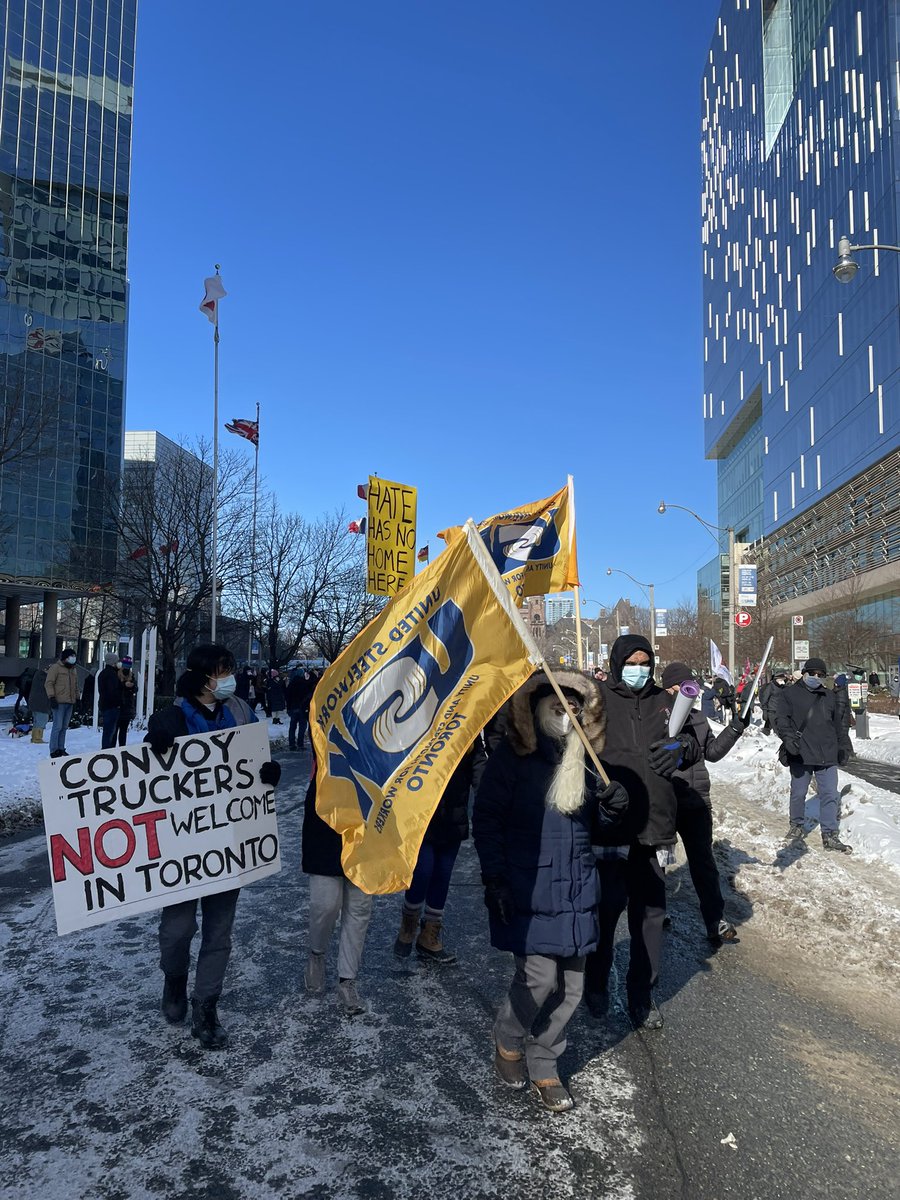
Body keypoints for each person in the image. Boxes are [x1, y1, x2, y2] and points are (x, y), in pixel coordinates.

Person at [473, 669, 629, 1113]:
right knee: (539, 978)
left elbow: (594, 825)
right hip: (529, 884)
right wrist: (495, 878)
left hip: (578, 886)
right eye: (557, 706)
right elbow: (486, 818)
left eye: (574, 708)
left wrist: (612, 810)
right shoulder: (512, 757)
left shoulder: (584, 758)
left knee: (573, 988)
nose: (566, 715)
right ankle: (508, 1040)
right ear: (537, 707)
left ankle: (545, 1061)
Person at [146, 643, 281, 1049]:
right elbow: (151, 778)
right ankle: (174, 979)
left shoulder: (240, 710)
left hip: (230, 843)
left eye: (230, 668)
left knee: (219, 932)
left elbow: (256, 761)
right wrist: (158, 742)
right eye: (223, 669)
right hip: (183, 846)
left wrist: (267, 774)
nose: (229, 676)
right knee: (177, 931)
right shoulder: (171, 716)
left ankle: (206, 1006)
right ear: (204, 675)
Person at [584, 634, 703, 1031]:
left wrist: (681, 749)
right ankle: (596, 982)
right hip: (612, 827)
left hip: (655, 825)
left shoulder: (663, 700)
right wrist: (598, 793)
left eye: (645, 661)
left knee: (651, 916)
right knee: (605, 911)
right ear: (617, 662)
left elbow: (692, 741)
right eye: (632, 661)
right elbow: (578, 756)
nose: (639, 668)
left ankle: (642, 994)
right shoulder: (598, 700)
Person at [661, 662, 747, 944]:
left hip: (697, 802)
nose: (685, 692)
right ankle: (656, 910)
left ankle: (715, 920)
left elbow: (711, 753)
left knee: (704, 864)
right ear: (666, 689)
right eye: (677, 687)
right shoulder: (654, 718)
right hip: (666, 801)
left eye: (689, 687)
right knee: (660, 860)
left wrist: (735, 728)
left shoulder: (699, 718)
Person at [393, 740, 486, 964]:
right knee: (423, 871)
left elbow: (478, 762)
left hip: (454, 811)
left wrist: (485, 792)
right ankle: (409, 923)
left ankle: (429, 935)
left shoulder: (466, 719)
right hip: (420, 812)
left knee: (442, 874)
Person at [301, 761, 373, 1015]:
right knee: (325, 903)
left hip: (369, 801)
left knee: (360, 904)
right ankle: (316, 953)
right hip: (326, 803)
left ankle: (347, 980)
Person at [775, 657, 853, 853]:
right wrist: (788, 738)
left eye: (821, 675)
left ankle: (830, 834)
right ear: (804, 673)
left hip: (827, 752)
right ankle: (796, 826)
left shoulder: (828, 696)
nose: (816, 677)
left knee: (830, 794)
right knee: (799, 793)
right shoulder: (789, 694)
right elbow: (781, 719)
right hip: (801, 752)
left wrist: (843, 746)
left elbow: (838, 724)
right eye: (813, 674)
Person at [45, 648, 80, 758]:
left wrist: (78, 698)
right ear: (66, 658)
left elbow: (75, 685)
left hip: (69, 702)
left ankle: (61, 748)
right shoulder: (56, 668)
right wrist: (51, 697)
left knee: (64, 727)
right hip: (58, 702)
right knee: (57, 726)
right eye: (71, 656)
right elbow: (49, 683)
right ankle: (53, 749)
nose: (73, 658)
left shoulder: (73, 669)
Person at [286, 668, 316, 752]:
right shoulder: (304, 684)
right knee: (302, 727)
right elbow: (310, 689)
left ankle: (291, 744)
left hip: (293, 708)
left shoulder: (291, 684)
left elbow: (287, 697)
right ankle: (300, 744)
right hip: (302, 708)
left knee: (292, 727)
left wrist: (288, 708)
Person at [97, 652, 122, 749]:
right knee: (110, 730)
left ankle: (107, 747)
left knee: (109, 730)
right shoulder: (112, 675)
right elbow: (113, 691)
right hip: (111, 706)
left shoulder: (103, 674)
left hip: (105, 704)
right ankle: (107, 749)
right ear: (113, 662)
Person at [116, 656, 137, 745]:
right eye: (125, 666)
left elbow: (136, 688)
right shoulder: (116, 675)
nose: (127, 668)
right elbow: (115, 688)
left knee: (123, 731)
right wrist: (124, 685)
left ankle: (122, 747)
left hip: (127, 706)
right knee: (114, 730)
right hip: (118, 705)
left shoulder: (132, 676)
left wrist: (132, 687)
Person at [28, 668, 51, 744]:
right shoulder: (45, 678)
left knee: (36, 720)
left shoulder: (38, 675)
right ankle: (37, 738)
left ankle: (34, 738)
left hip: (34, 702)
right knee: (42, 720)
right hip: (41, 703)